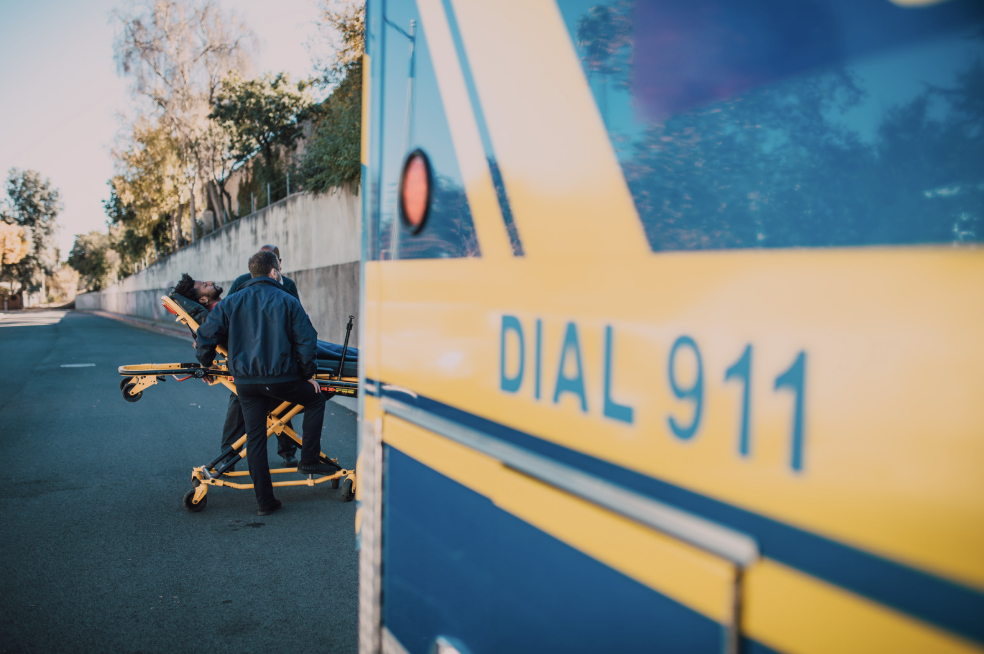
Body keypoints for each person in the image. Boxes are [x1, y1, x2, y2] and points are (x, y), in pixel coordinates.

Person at [195, 250, 338, 515]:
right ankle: (308, 459)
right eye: (278, 269)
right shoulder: (287, 300)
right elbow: (307, 341)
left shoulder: (231, 302)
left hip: (246, 384)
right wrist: (308, 373)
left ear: (252, 273)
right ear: (274, 272)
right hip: (282, 380)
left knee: (256, 438)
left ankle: (265, 502)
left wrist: (206, 365)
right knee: (316, 399)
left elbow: (205, 335)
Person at [227, 244, 299, 300]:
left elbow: (297, 313)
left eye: (270, 259)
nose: (264, 262)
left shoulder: (288, 285)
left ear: (279, 262)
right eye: (261, 258)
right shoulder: (240, 281)